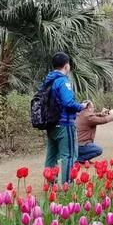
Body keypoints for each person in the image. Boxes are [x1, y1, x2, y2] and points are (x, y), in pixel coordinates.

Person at [42, 52, 87, 184]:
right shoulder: (62, 81)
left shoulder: (48, 81)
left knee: (51, 156)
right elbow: (68, 103)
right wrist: (80, 106)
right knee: (68, 155)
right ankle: (68, 186)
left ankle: (50, 185)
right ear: (66, 66)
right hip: (64, 124)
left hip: (51, 124)